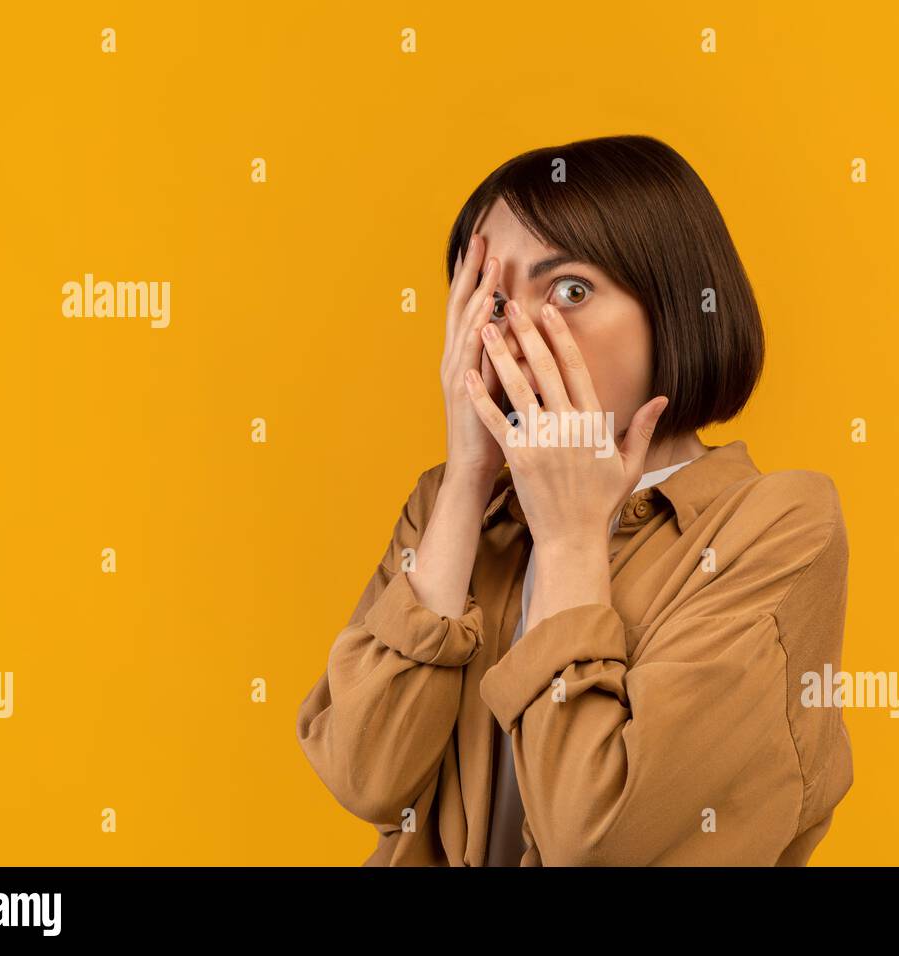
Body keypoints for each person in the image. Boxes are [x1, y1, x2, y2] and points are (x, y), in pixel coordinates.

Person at [295, 134, 852, 866]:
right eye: (492, 300)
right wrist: (467, 476)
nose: (517, 334)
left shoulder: (778, 527)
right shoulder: (449, 506)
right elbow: (366, 777)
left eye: (572, 291)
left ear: (676, 305)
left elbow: (595, 837)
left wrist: (570, 542)